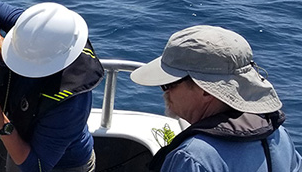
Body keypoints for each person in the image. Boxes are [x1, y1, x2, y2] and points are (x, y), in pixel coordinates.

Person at [129, 25, 302, 172]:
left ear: (205, 90)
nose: (164, 92)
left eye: (169, 84)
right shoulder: (279, 136)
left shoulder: (192, 158)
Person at [0, 0, 102, 172]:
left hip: (62, 166)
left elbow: (37, 167)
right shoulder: (36, 33)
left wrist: (2, 125)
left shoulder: (71, 106)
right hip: (18, 137)